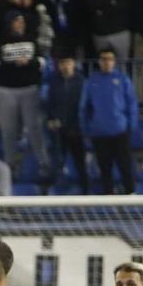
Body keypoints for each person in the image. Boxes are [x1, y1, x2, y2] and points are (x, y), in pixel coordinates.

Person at [0, 11, 49, 179]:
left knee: (35, 128)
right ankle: (11, 166)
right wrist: (11, 64)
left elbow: (42, 62)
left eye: (21, 21)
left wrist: (28, 62)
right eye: (16, 21)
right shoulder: (0, 42)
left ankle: (43, 164)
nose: (20, 24)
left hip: (29, 89)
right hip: (6, 89)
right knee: (8, 130)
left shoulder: (31, 39)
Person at [80, 48, 139, 195]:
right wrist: (86, 127)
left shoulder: (123, 80)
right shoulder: (91, 81)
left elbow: (132, 103)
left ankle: (130, 195)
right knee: (104, 168)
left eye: (109, 59)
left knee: (125, 166)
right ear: (99, 62)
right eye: (103, 59)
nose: (106, 62)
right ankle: (108, 198)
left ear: (114, 61)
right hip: (99, 133)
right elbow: (84, 107)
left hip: (120, 131)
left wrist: (131, 125)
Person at [48, 55, 87, 192]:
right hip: (59, 130)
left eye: (68, 62)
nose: (65, 66)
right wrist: (51, 119)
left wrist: (80, 124)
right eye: (62, 63)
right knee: (58, 161)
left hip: (77, 129)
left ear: (73, 64)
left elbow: (84, 106)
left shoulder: (81, 81)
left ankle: (85, 193)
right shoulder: (54, 82)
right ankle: (58, 192)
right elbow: (50, 103)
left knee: (80, 162)